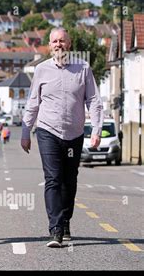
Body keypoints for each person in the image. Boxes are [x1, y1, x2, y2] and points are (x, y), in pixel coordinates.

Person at [21, 27, 103, 248]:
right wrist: (25, 132)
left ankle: (65, 220)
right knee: (53, 179)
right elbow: (33, 102)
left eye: (62, 41)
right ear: (49, 45)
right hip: (48, 131)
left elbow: (93, 101)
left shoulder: (83, 68)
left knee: (70, 180)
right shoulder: (41, 70)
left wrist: (96, 130)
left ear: (70, 43)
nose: (58, 44)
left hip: (74, 134)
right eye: (54, 41)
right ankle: (55, 228)